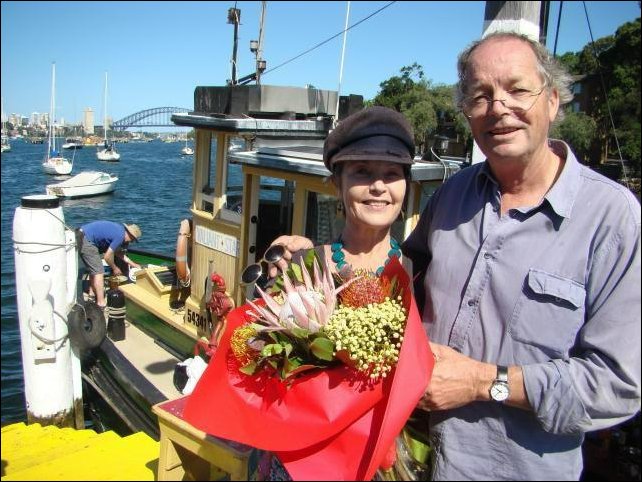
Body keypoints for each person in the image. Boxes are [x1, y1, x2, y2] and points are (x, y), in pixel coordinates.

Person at [268, 32, 641, 480]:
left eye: (517, 89)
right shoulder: (452, 196)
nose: (499, 107)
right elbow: (385, 281)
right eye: (480, 95)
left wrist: (484, 381)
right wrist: (314, 260)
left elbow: (619, 386)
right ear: (467, 112)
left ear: (554, 101)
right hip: (412, 459)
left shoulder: (612, 219)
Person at [263, 105, 416, 479]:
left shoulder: (420, 273)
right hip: (303, 458)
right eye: (362, 172)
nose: (378, 186)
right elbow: (267, 367)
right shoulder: (302, 267)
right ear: (337, 182)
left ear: (405, 185)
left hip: (387, 461)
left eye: (392, 174)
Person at [78, 220, 142, 308]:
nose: (131, 241)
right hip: (86, 239)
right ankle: (101, 302)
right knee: (99, 271)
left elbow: (118, 253)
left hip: (82, 234)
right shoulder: (120, 236)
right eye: (132, 239)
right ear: (129, 233)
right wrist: (115, 268)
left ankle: (92, 293)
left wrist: (133, 264)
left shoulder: (119, 231)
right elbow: (107, 256)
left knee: (94, 269)